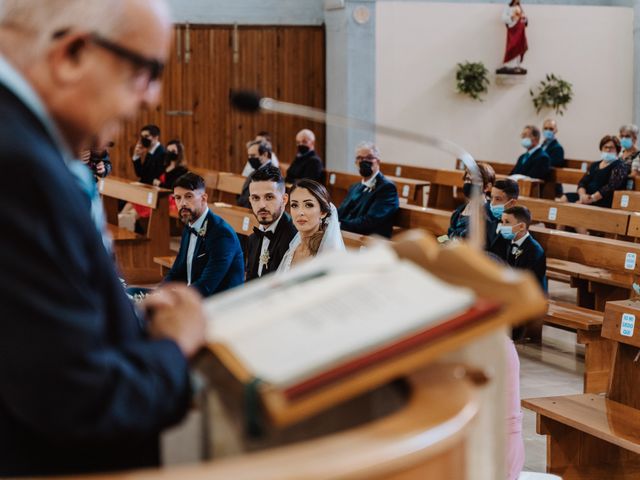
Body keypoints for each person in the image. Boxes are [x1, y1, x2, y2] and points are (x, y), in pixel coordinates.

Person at [0, 1, 208, 475]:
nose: (152, 98)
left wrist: (120, 316)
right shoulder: (18, 165)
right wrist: (174, 347)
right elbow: (76, 400)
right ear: (72, 53)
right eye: (147, 70)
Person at [165, 173, 244, 297]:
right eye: (178, 198)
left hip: (221, 306)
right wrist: (158, 294)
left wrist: (173, 300)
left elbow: (207, 285)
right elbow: (176, 272)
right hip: (196, 297)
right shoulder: (189, 226)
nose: (182, 203)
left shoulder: (222, 234)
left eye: (188, 196)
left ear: (204, 198)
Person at [278, 179, 345, 273]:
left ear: (323, 212)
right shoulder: (293, 248)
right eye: (294, 205)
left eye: (308, 205)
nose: (300, 212)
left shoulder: (329, 254)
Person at [337, 141, 399, 238]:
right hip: (349, 234)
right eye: (360, 158)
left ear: (378, 161)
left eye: (369, 158)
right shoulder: (355, 187)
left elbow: (371, 221)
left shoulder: (387, 188)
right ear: (356, 162)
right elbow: (341, 211)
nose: (364, 161)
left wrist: (340, 225)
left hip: (370, 240)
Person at [245, 166, 297, 281]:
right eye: (255, 198)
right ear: (250, 201)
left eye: (269, 197)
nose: (262, 205)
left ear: (284, 200)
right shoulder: (253, 239)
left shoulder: (294, 239)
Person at [566, 135, 628, 209]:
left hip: (603, 199)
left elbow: (611, 187)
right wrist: (582, 196)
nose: (608, 150)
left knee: (576, 206)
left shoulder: (620, 166)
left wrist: (591, 199)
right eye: (605, 147)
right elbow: (583, 182)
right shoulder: (595, 165)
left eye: (611, 148)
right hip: (586, 197)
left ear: (617, 150)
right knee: (564, 198)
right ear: (601, 149)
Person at [497, 206, 547, 293]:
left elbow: (525, 280)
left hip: (532, 296)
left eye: (507, 222)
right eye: (502, 222)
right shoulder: (508, 241)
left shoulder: (534, 250)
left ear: (521, 226)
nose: (502, 226)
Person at [448, 163, 496, 247]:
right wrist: (437, 242)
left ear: (487, 187)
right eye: (467, 179)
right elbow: (448, 236)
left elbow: (483, 246)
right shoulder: (458, 211)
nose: (469, 183)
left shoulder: (489, 214)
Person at [237, 139, 275, 208]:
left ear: (265, 154)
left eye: (253, 156)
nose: (250, 159)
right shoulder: (256, 170)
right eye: (249, 156)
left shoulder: (270, 173)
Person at [487, 178, 520, 256]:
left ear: (512, 203)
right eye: (491, 198)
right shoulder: (489, 224)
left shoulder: (518, 232)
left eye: (498, 199)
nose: (492, 203)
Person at [497, 0, 528, 75]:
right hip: (513, 29)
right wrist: (512, 17)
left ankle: (517, 65)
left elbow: (523, 17)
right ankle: (508, 65)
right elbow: (503, 18)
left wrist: (524, 19)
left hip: (520, 29)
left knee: (519, 46)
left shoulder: (519, 7)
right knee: (512, 46)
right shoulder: (508, 7)